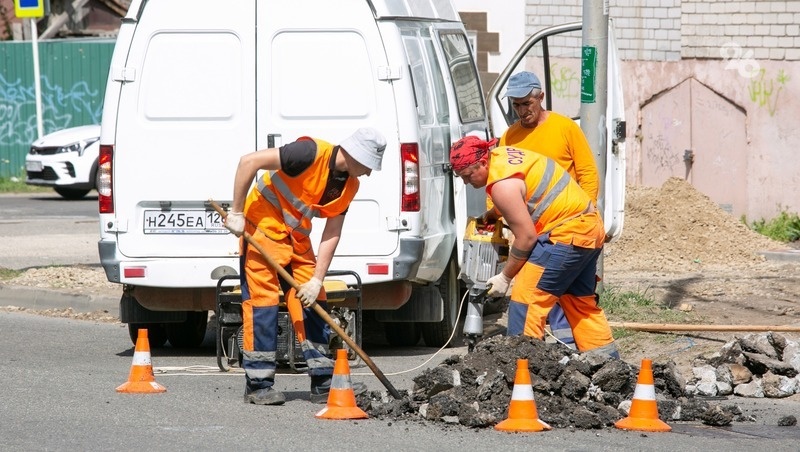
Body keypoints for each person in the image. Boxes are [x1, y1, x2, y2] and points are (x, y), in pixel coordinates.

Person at [224, 127, 387, 405]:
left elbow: (332, 232)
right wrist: (236, 212)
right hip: (262, 228)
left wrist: (316, 280)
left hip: (296, 238)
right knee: (263, 304)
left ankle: (323, 381)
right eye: (368, 165)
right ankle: (258, 384)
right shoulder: (308, 153)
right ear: (354, 154)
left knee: (315, 302)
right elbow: (248, 161)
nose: (369, 173)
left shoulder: (349, 186)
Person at [450, 135, 618, 357]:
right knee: (580, 303)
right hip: (588, 229)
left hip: (565, 235)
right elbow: (525, 190)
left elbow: (526, 238)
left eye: (467, 175)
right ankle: (608, 365)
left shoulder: (502, 186)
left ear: (482, 163)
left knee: (525, 300)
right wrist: (493, 214)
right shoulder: (502, 157)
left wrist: (505, 277)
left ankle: (522, 372)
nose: (466, 182)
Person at [497, 71, 601, 349]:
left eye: (526, 103)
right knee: (562, 296)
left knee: (534, 295)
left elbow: (588, 173)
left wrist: (587, 213)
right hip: (531, 231)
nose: (521, 111)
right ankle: (573, 353)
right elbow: (501, 181)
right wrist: (501, 224)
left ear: (540, 97)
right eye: (515, 105)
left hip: (564, 229)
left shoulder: (564, 128)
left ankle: (533, 356)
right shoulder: (510, 136)